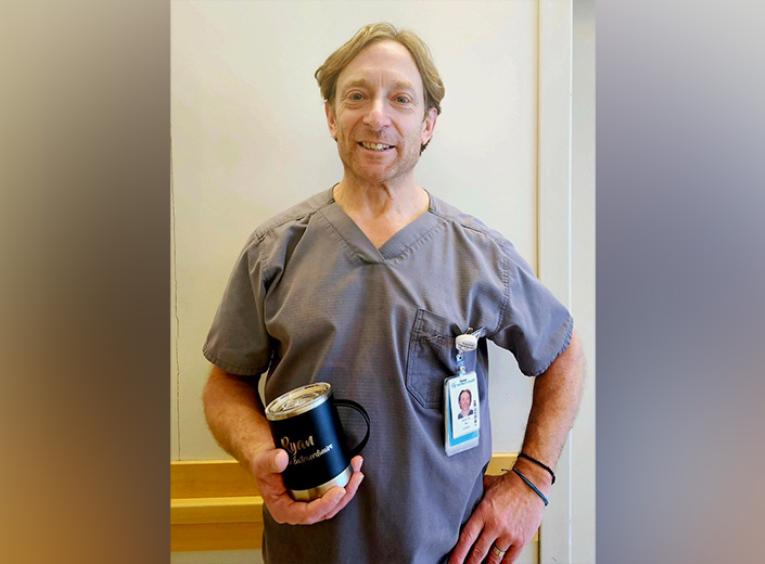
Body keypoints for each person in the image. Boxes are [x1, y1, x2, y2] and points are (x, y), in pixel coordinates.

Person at [202, 22, 585, 564]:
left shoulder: (480, 257)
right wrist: (259, 452)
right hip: (308, 549)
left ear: (427, 124)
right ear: (331, 116)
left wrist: (532, 482)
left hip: (449, 552)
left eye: (400, 99)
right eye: (357, 95)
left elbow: (563, 354)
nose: (376, 115)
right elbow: (225, 384)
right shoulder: (275, 251)